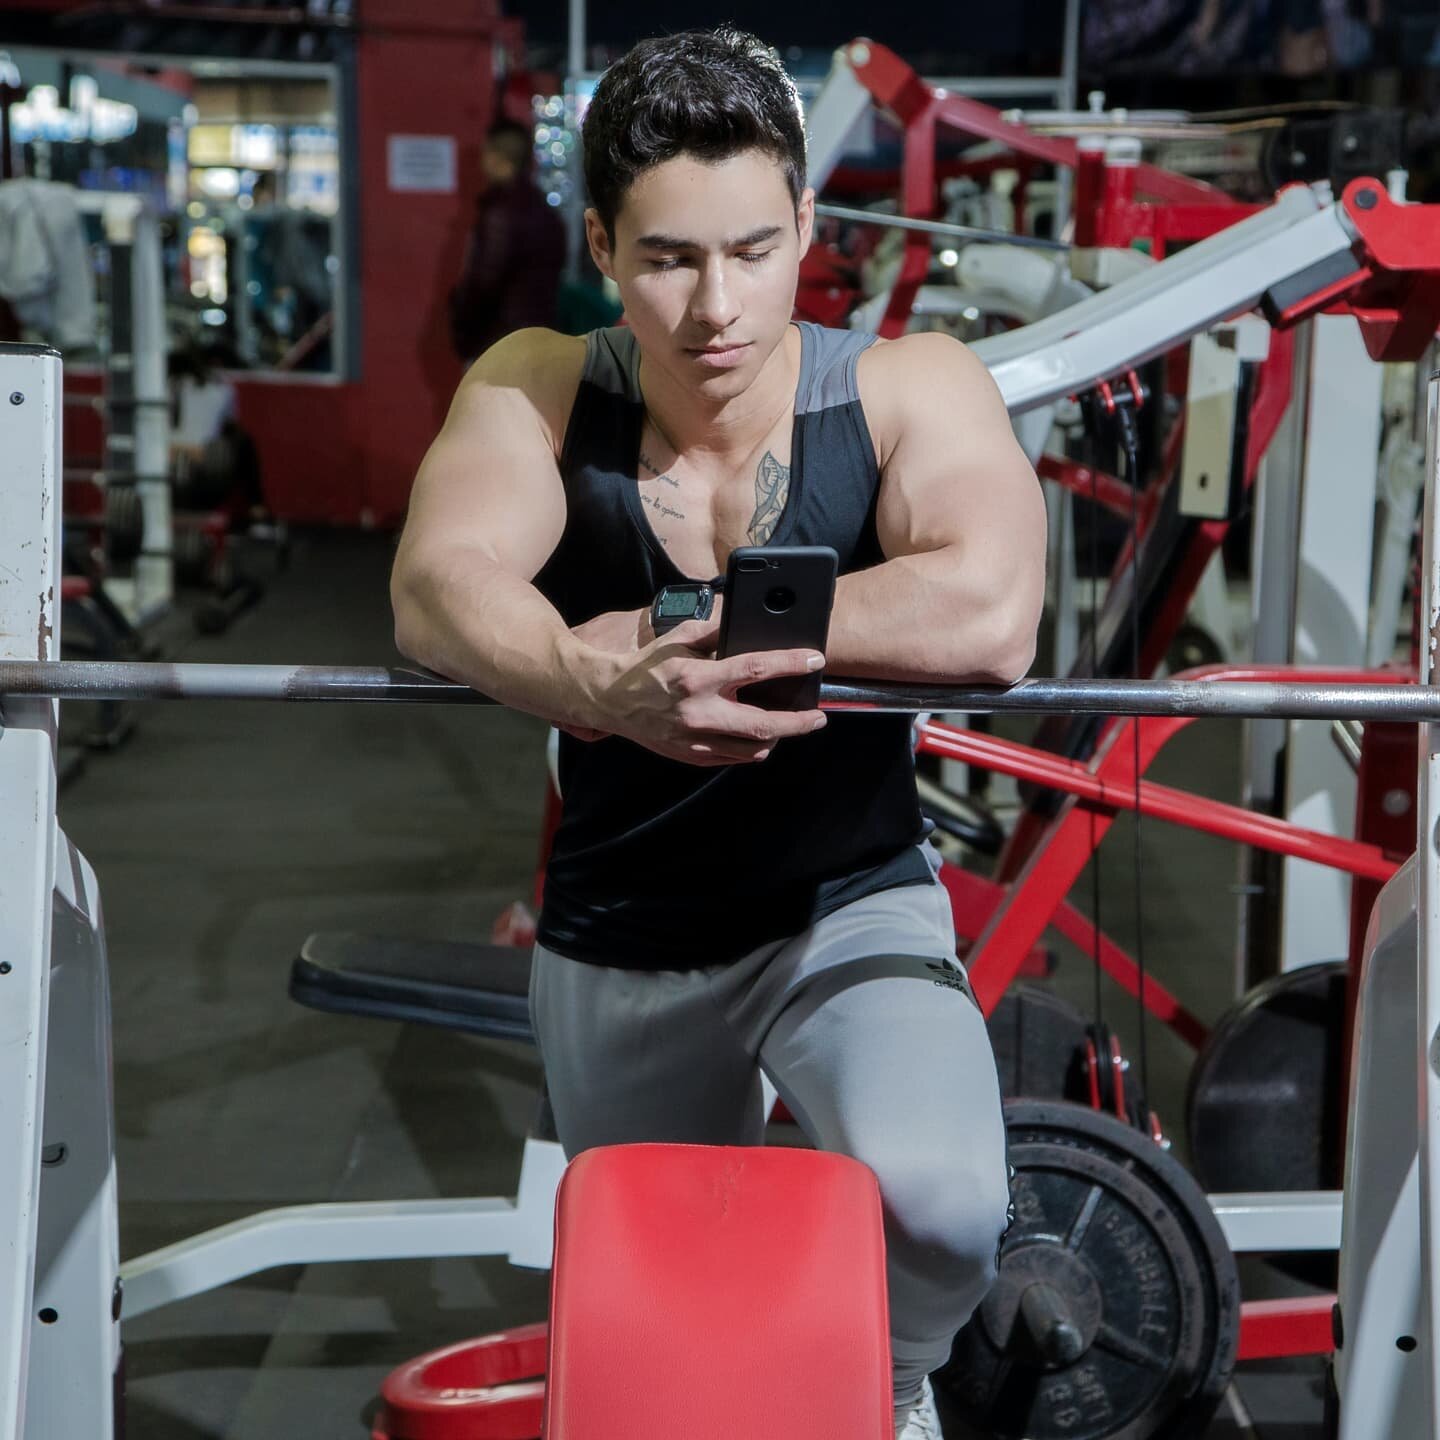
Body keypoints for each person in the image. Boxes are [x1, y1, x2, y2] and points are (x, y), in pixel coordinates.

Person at [393, 28, 1046, 1440]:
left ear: (808, 224)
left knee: (944, 1202)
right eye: (670, 259)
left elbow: (992, 615)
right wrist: (591, 681)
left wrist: (698, 623)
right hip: (626, 927)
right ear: (602, 246)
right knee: (664, 1319)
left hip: (847, 905)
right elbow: (438, 589)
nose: (715, 305)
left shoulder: (905, 386)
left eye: (754, 250)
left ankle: (889, 1394)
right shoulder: (543, 379)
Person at [448, 119, 567, 363]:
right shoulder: (546, 213)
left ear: (495, 157)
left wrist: (461, 324)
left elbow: (484, 281)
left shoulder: (499, 212)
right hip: (539, 335)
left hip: (497, 340)